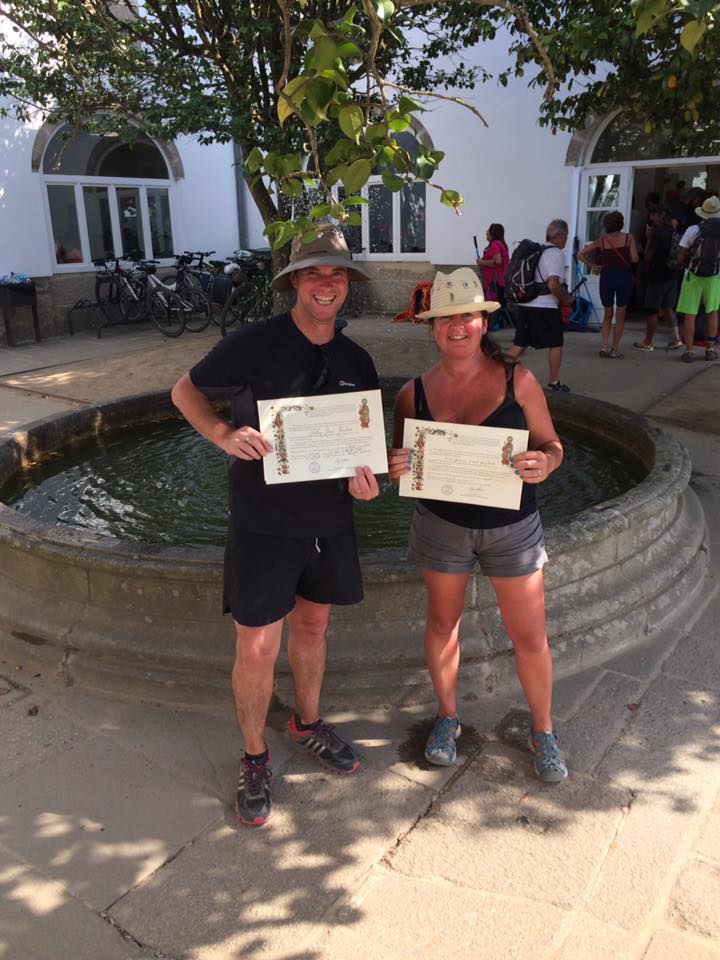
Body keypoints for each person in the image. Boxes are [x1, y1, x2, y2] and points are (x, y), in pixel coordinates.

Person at [171, 225, 381, 827]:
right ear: (293, 282)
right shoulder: (254, 344)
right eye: (313, 273)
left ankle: (306, 723)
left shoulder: (355, 360)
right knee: (258, 646)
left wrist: (364, 483)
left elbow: (356, 447)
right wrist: (221, 434)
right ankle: (255, 757)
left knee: (312, 629)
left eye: (336, 274)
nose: (325, 284)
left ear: (347, 285)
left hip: (329, 524)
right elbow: (185, 393)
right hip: (263, 524)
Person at [388, 268, 568, 784]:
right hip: (442, 525)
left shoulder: (519, 380)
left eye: (466, 314)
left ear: (482, 321)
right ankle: (448, 717)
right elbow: (403, 463)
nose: (457, 326)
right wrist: (395, 465)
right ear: (432, 329)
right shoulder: (412, 394)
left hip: (513, 526)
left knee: (529, 634)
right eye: (445, 318)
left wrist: (546, 463)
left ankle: (544, 730)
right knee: (443, 626)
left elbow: (553, 444)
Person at [507, 218, 575, 392]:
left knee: (519, 344)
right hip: (545, 308)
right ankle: (554, 381)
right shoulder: (557, 254)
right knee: (556, 343)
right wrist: (566, 299)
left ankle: (496, 375)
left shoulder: (539, 252)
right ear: (560, 235)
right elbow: (553, 284)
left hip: (526, 305)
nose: (566, 239)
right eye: (566, 235)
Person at [577, 211, 638, 359]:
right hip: (623, 276)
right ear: (621, 223)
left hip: (607, 277)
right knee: (620, 314)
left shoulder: (602, 240)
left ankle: (604, 346)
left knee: (607, 313)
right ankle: (615, 349)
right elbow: (635, 259)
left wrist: (594, 265)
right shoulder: (629, 238)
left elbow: (580, 254)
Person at [675, 195, 720, 362]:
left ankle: (689, 351)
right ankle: (710, 348)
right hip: (715, 277)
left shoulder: (693, 230)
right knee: (712, 313)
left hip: (693, 276)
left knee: (690, 314)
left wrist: (683, 263)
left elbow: (680, 257)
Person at [633, 206, 683, 351]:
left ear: (660, 216)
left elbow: (648, 256)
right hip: (672, 274)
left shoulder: (657, 234)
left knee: (652, 309)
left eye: (653, 215)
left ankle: (647, 341)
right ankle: (676, 338)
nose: (650, 218)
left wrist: (649, 238)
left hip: (657, 275)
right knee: (668, 307)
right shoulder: (674, 232)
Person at [476, 223, 509, 306]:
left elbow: (498, 261)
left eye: (489, 231)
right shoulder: (502, 244)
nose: (487, 233)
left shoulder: (495, 244)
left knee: (494, 307)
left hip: (494, 283)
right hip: (501, 281)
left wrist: (481, 262)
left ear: (492, 233)